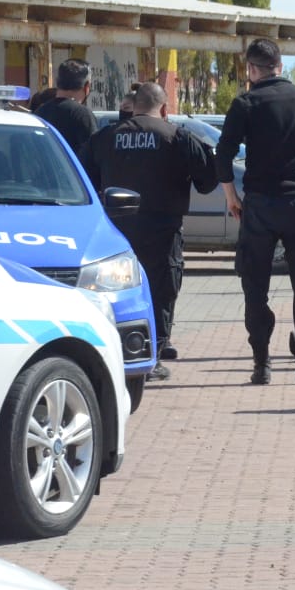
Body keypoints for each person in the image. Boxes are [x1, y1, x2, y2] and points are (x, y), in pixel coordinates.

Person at [218, 38, 295, 385]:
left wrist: (232, 196)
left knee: (255, 286)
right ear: (281, 65)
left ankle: (262, 364)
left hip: (259, 205)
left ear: (252, 69)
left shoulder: (246, 102)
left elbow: (222, 154)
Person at [79, 82, 217, 381]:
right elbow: (209, 180)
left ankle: (115, 347)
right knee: (161, 288)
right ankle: (154, 354)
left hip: (116, 230)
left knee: (114, 288)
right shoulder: (177, 136)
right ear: (165, 109)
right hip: (162, 229)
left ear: (134, 106)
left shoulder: (105, 137)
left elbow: (82, 181)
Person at [35, 58, 97, 152]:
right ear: (87, 86)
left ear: (57, 82)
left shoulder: (40, 112)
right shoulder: (83, 115)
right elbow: (94, 153)